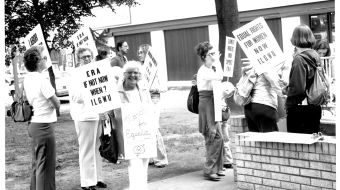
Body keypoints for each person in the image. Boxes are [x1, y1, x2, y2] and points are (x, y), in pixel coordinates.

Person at [107, 61, 153, 190]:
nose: (133, 75)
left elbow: (149, 108)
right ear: (124, 74)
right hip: (127, 135)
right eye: (130, 72)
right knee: (134, 166)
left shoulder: (143, 88)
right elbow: (111, 113)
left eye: (136, 72)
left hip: (144, 133)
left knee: (144, 165)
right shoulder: (117, 91)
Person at [23, 45, 60, 190]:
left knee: (37, 163)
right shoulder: (42, 80)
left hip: (34, 123)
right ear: (38, 62)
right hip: (44, 125)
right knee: (46, 166)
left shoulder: (27, 79)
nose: (46, 61)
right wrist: (52, 105)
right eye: (45, 58)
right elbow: (56, 104)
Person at [69, 46, 107, 190]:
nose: (87, 59)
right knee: (86, 149)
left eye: (89, 56)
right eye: (84, 57)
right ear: (78, 60)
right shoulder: (75, 74)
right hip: (83, 116)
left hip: (96, 115)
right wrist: (88, 89)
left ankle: (97, 178)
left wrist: (103, 110)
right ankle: (87, 181)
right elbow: (75, 97)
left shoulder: (96, 72)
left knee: (98, 148)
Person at [282, 24, 322, 134]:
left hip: (299, 109)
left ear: (295, 38)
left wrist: (285, 89)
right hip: (314, 105)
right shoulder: (315, 56)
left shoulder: (299, 59)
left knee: (298, 146)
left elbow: (298, 89)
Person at [195, 41, 225, 181]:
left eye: (214, 53)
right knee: (212, 137)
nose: (213, 57)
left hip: (213, 103)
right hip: (207, 104)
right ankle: (209, 169)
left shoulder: (210, 69)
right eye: (210, 54)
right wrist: (217, 62)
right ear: (203, 57)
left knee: (218, 136)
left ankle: (216, 168)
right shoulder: (204, 71)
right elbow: (219, 76)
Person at [137, 44, 168, 168]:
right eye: (138, 52)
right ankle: (150, 156)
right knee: (145, 128)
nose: (139, 54)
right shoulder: (139, 68)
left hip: (154, 98)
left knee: (154, 128)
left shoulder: (156, 68)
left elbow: (164, 87)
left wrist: (152, 88)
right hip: (142, 100)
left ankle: (161, 158)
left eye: (141, 52)